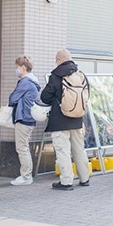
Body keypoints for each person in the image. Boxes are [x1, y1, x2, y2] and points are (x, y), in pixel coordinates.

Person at [41, 49, 90, 191]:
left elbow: (45, 97)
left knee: (63, 152)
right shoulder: (81, 75)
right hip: (77, 120)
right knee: (79, 150)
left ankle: (67, 181)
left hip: (60, 121)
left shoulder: (56, 75)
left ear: (58, 60)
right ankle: (84, 178)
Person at [8, 56, 40, 186]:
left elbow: (12, 98)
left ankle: (26, 177)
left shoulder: (25, 82)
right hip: (29, 118)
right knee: (24, 147)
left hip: (24, 118)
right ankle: (27, 175)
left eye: (17, 67)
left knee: (22, 148)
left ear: (23, 68)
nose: (16, 70)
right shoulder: (33, 82)